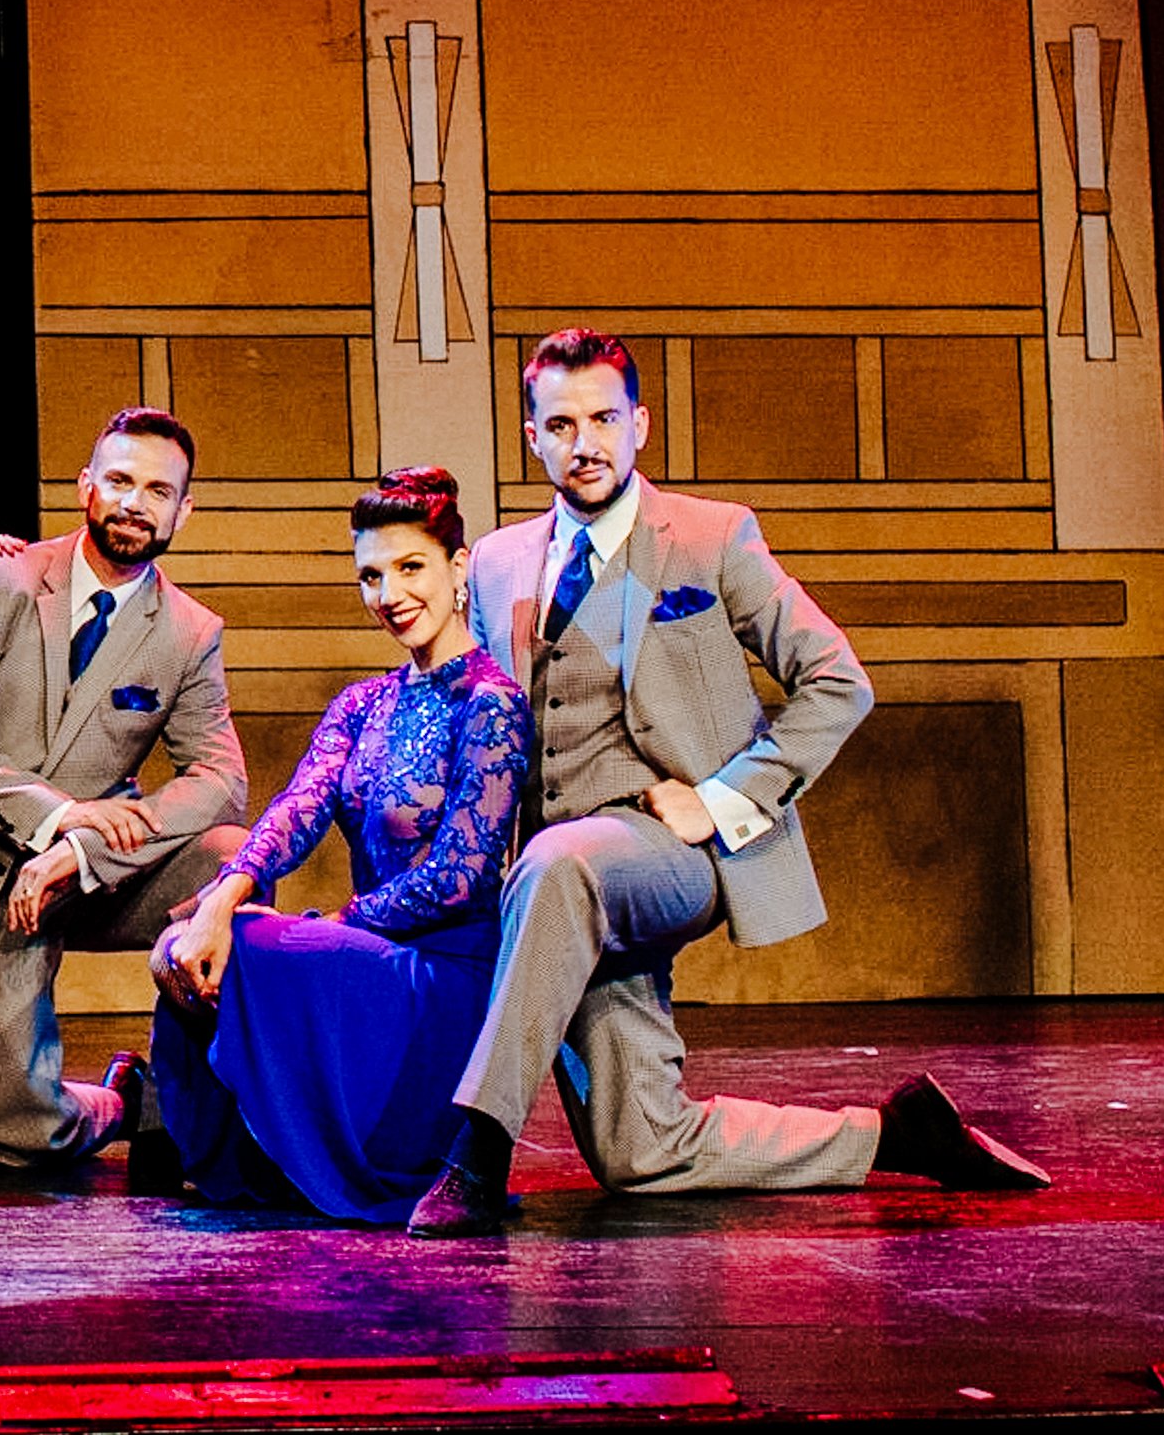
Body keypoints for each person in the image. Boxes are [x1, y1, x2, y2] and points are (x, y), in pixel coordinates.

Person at [407, 330, 1050, 1237]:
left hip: (674, 854)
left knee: (560, 863)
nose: (584, 443)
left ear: (640, 425)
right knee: (641, 1150)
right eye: (561, 425)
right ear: (532, 437)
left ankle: (477, 1149)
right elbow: (485, 726)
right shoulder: (499, 561)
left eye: (603, 420)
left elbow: (839, 680)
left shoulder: (712, 536)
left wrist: (719, 798)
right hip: (556, 891)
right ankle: (894, 1134)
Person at [147, 467, 526, 1221]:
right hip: (372, 958)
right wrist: (223, 897)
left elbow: (458, 875)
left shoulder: (492, 704)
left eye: (410, 567)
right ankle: (217, 1142)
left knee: (250, 944)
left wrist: (340, 921)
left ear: (458, 568)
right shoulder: (362, 702)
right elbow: (297, 810)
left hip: (442, 978)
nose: (390, 594)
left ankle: (235, 1134)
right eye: (371, 576)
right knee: (193, 941)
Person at [0, 406, 250, 1175]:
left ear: (183, 510)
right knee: (15, 1133)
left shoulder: (190, 631)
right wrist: (57, 818)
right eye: (119, 480)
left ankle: (197, 1100)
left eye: (158, 490)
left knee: (230, 859)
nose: (134, 503)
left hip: (96, 876)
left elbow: (222, 780)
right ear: (86, 484)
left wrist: (87, 848)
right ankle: (126, 1101)